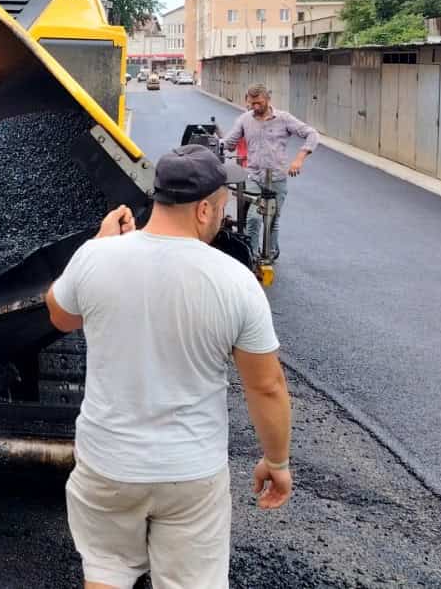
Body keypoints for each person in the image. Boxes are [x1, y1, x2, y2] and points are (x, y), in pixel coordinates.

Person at [46, 144, 293, 589]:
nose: (221, 216)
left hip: (107, 462)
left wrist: (98, 245)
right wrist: (277, 460)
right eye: (220, 207)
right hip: (190, 471)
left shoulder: (96, 257)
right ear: (203, 210)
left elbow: (60, 316)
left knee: (105, 572)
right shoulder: (235, 281)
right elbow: (267, 387)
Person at [221, 83, 319, 262]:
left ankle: (272, 251)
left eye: (258, 103)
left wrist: (299, 158)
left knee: (272, 220)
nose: (255, 107)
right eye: (251, 103)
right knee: (253, 218)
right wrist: (215, 144)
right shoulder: (244, 119)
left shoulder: (283, 119)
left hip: (276, 179)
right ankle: (250, 255)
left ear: (267, 99)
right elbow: (229, 142)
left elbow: (312, 134)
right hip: (253, 177)